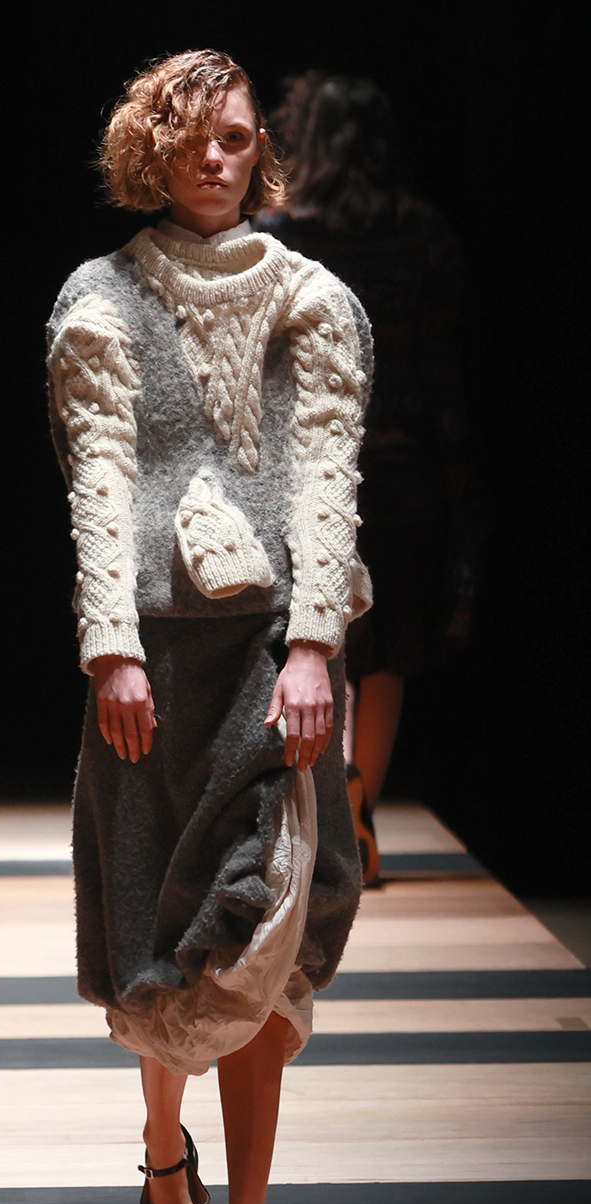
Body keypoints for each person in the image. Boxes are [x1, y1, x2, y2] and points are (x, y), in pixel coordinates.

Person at [46, 50, 373, 1204]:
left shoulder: (314, 301)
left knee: (264, 937)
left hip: (277, 658)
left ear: (260, 149)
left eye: (236, 136)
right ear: (149, 149)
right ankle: (163, 1151)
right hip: (160, 662)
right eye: (190, 136)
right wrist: (112, 648)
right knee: (165, 935)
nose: (216, 156)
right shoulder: (99, 302)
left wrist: (314, 646)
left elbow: (326, 477)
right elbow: (101, 483)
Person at [256, 73, 472, 884]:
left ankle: (331, 812)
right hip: (405, 458)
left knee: (324, 626)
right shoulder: (423, 234)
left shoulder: (277, 238)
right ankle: (360, 811)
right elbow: (442, 365)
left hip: (309, 459)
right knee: (390, 645)